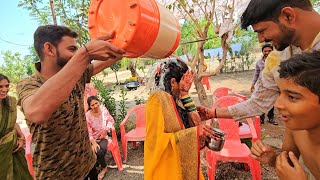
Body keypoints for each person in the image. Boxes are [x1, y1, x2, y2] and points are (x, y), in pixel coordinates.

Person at [16, 25, 125, 179]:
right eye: (72, 49)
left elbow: (115, 55)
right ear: (49, 49)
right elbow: (37, 112)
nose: (76, 54)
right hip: (57, 176)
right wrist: (85, 53)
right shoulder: (28, 84)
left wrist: (125, 41)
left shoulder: (77, 73)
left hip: (88, 166)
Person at [197, 0, 320, 124]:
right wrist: (213, 113)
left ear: (288, 16)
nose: (261, 40)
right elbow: (259, 102)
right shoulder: (276, 59)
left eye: (262, 31)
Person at [250, 51, 320, 179]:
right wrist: (272, 159)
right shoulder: (296, 129)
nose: (277, 104)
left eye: (292, 97)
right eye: (280, 93)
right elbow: (287, 162)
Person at [144, 59, 216, 180]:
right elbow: (156, 142)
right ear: (173, 82)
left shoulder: (176, 99)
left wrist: (185, 94)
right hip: (167, 170)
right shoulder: (157, 100)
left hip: (182, 164)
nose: (189, 85)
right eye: (184, 80)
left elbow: (193, 126)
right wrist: (194, 133)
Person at [0, 73, 33, 180]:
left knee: (19, 173)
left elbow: (12, 121)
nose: (4, 89)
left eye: (7, 86)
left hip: (13, 146)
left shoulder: (10, 102)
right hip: (2, 148)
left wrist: (21, 137)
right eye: (0, 87)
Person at [86, 96, 114, 180]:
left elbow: (111, 120)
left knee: (99, 151)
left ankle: (104, 168)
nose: (95, 106)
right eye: (92, 105)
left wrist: (106, 130)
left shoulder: (103, 110)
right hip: (93, 139)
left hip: (103, 137)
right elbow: (88, 131)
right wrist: (93, 142)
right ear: (89, 106)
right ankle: (99, 165)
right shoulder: (87, 115)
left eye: (96, 103)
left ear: (99, 102)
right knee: (92, 151)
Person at [250, 44, 277, 125]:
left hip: (273, 85)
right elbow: (256, 74)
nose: (267, 52)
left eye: (269, 50)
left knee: (271, 102)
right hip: (262, 85)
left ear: (272, 51)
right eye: (265, 51)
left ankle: (271, 118)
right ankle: (261, 119)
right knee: (261, 102)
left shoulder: (277, 61)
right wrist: (253, 84)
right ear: (262, 52)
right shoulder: (259, 62)